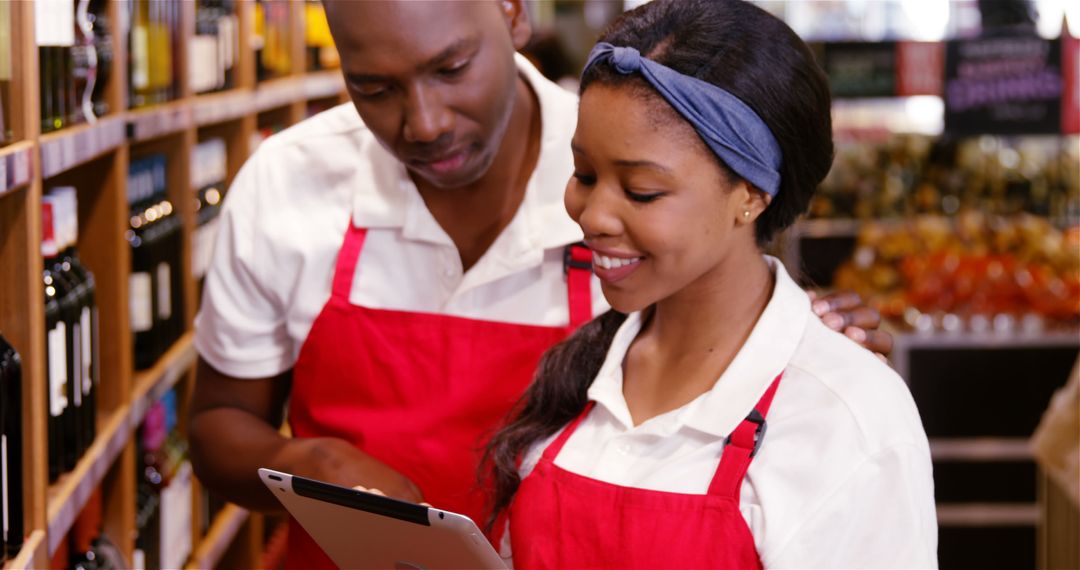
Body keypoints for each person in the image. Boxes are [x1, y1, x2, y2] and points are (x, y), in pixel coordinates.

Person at [187, 1, 894, 567]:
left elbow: (732, 310)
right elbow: (219, 426)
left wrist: (804, 354)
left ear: (514, 13)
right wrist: (304, 462)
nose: (424, 122)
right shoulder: (289, 183)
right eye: (373, 88)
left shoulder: (628, 159)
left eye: (452, 68)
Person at [484, 1, 937, 568]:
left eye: (642, 190)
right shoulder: (579, 369)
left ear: (750, 194)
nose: (593, 215)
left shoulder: (844, 416)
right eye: (586, 175)